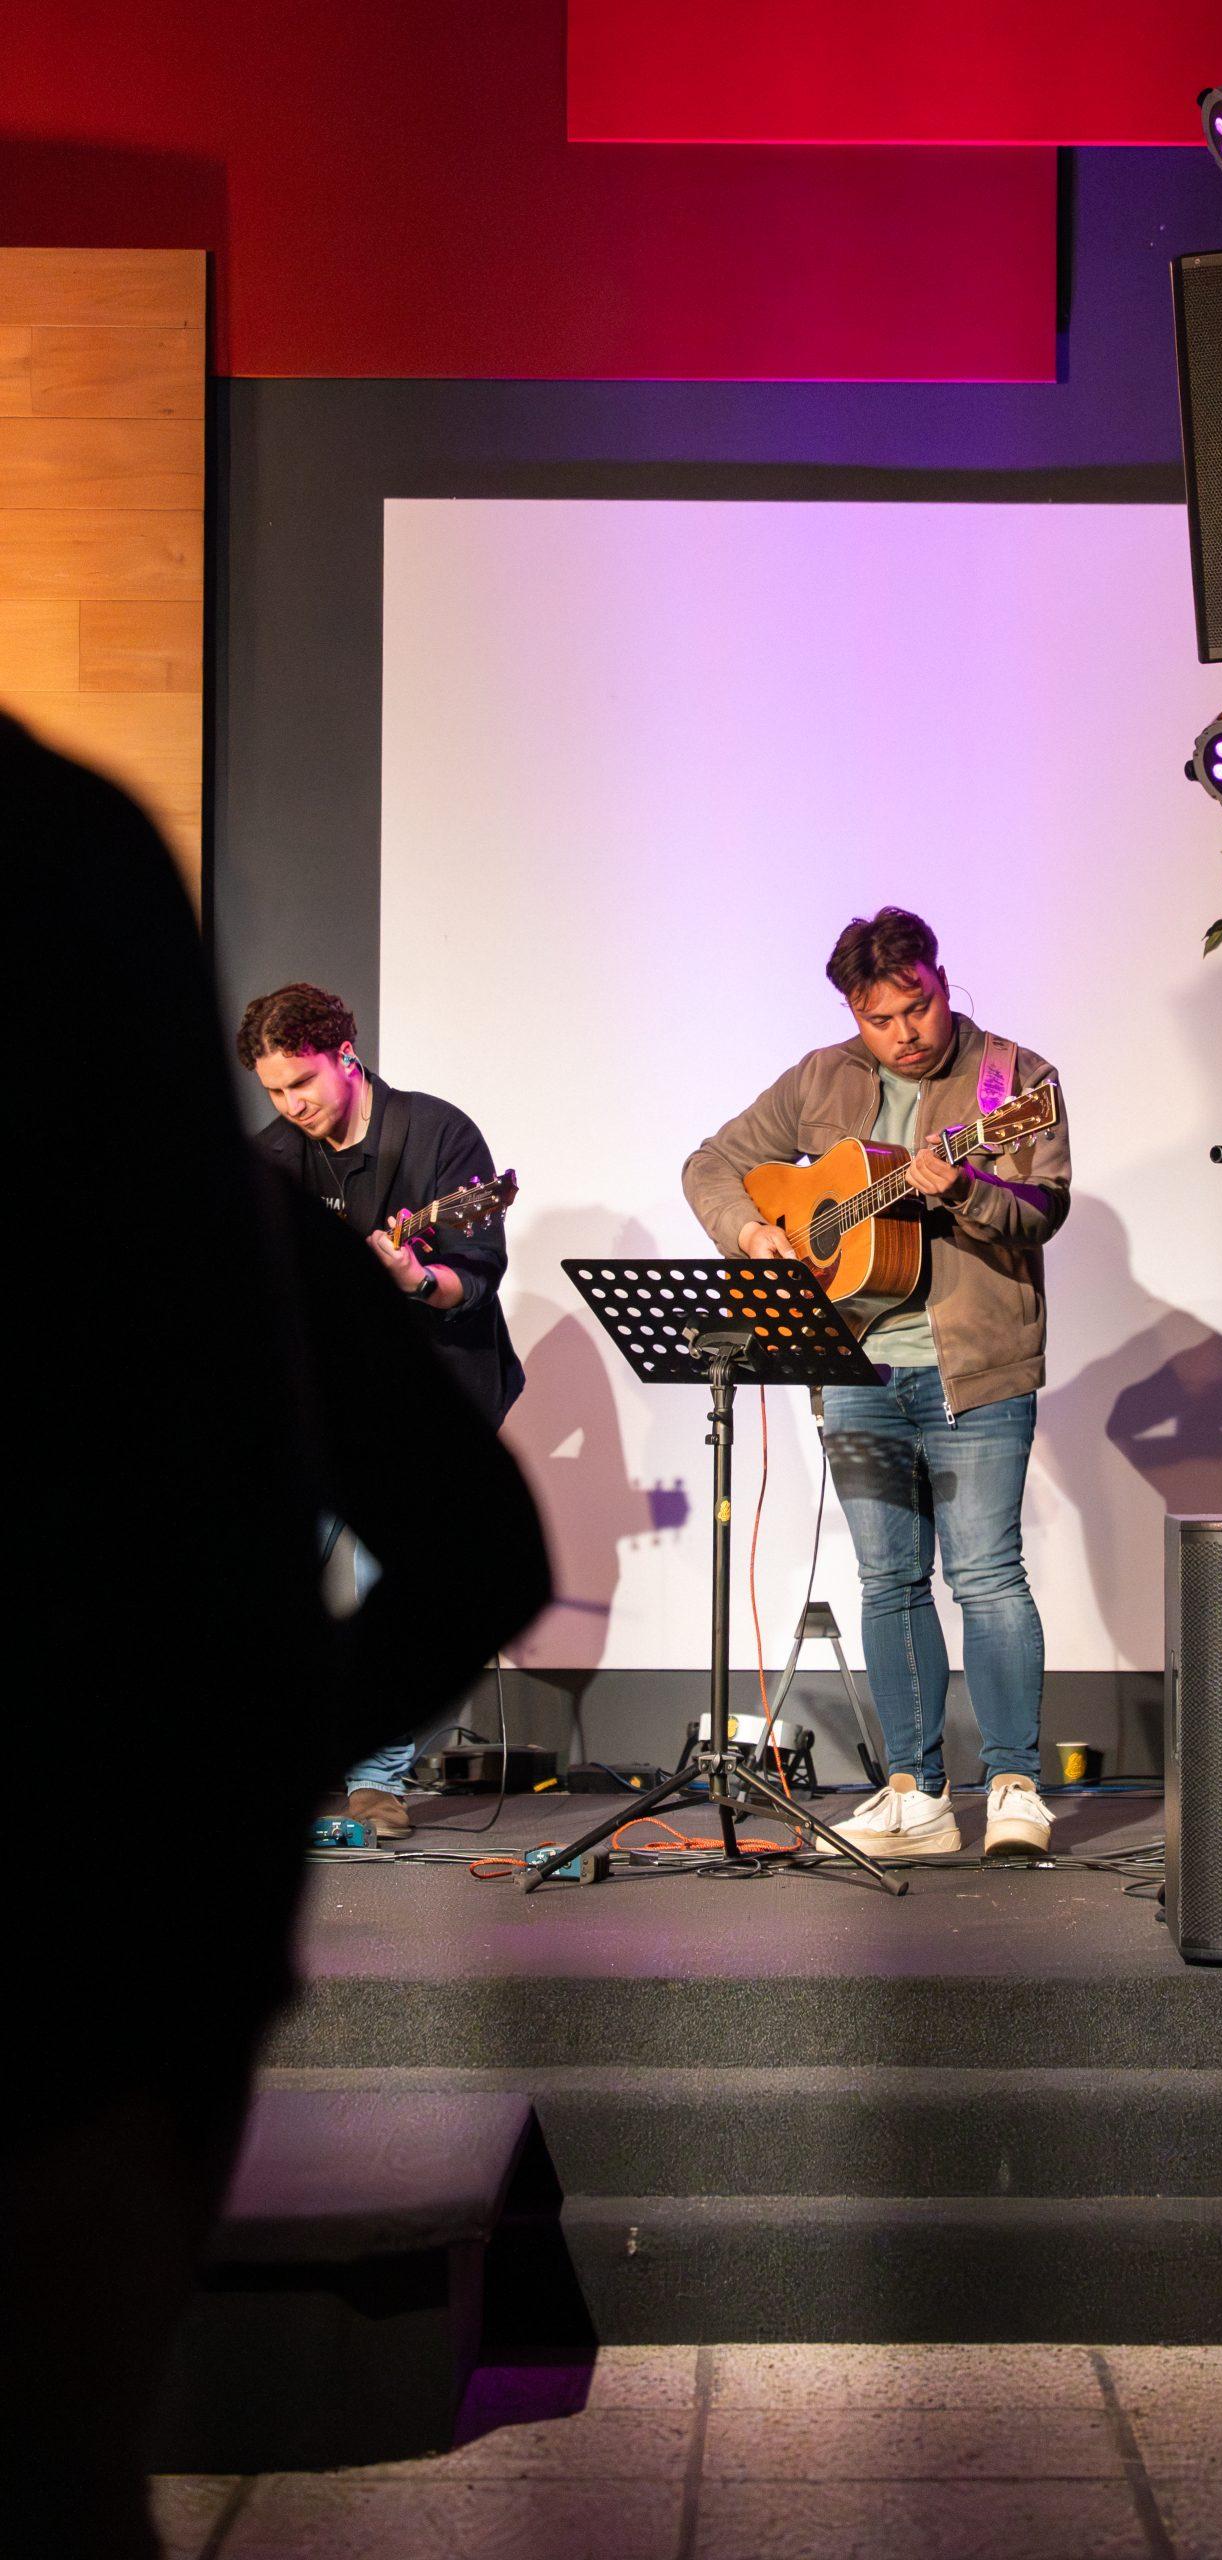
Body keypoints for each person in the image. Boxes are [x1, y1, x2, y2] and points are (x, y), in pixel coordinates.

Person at [5, 715, 549, 2559]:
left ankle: (365, 1778)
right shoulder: (216, 1198)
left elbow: (469, 1323)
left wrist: (244, 1759)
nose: (292, 1107)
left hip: (95, 1978)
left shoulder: (403, 1152)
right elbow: (477, 1559)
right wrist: (242, 1768)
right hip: (125, 1960)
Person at [683, 906, 1070, 1859]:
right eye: (878, 1019)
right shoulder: (820, 1077)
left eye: (917, 1007)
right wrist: (753, 1231)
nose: (903, 1033)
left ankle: (1013, 1786)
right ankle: (914, 1794)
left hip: (973, 1367)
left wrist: (965, 1189)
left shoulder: (1012, 1080)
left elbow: (1043, 1209)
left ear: (940, 979)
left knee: (985, 1575)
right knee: (888, 1580)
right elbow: (712, 1163)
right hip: (854, 1365)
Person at [237, 984, 526, 1836]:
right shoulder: (270, 1156)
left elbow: (472, 1279)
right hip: (308, 1403)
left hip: (417, 1396)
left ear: (346, 1057)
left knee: (382, 1575)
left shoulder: (435, 1134)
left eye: (303, 1085)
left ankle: (377, 1782)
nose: (292, 1106)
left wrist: (414, 1279)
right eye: (275, 1093)